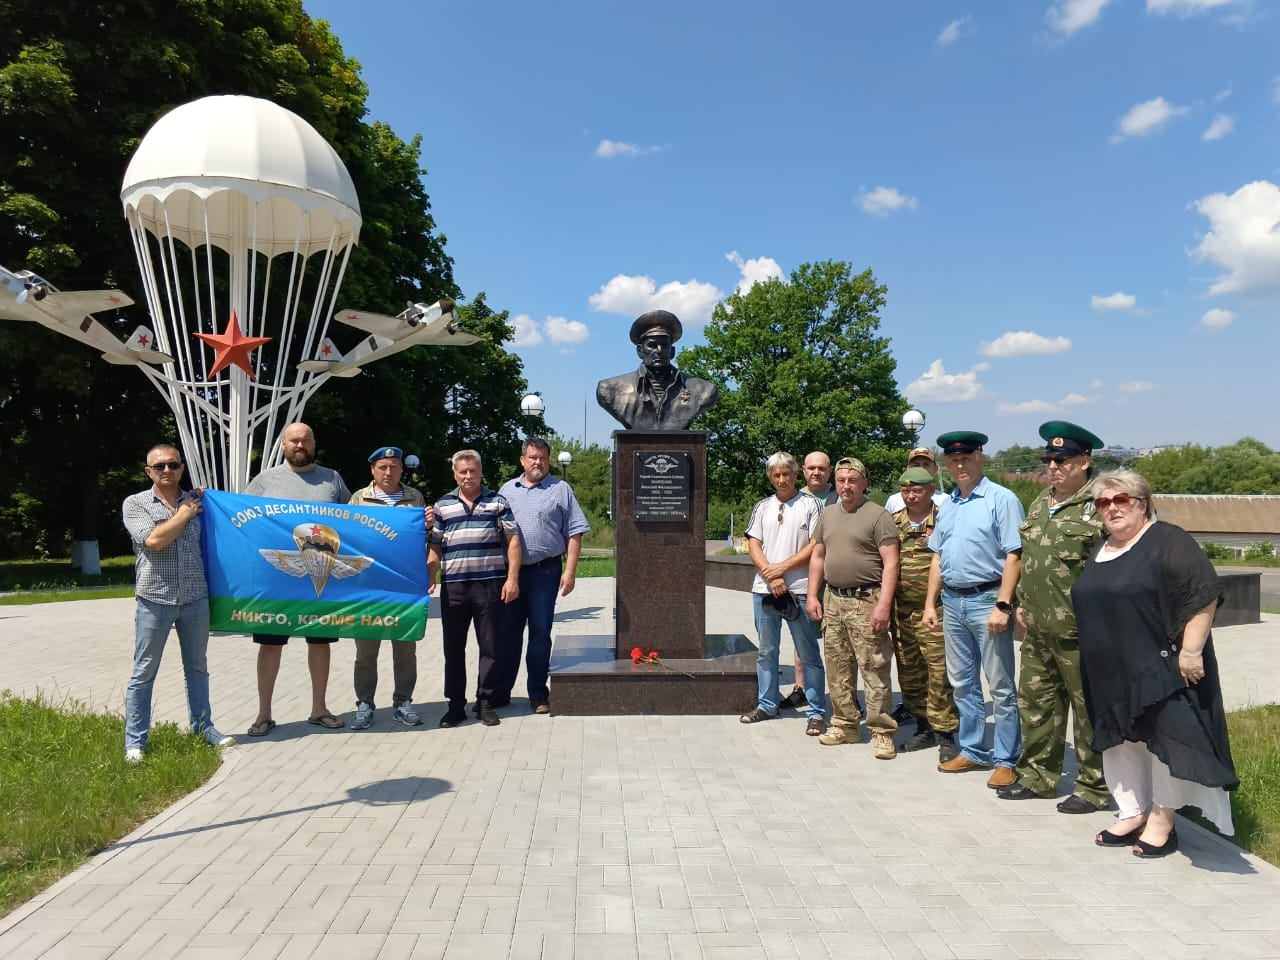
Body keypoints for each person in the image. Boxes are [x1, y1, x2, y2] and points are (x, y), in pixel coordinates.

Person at [1071, 470, 1237, 858]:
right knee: (1121, 742)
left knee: (1166, 741)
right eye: (1103, 502)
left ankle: (1163, 819)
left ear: (1142, 503)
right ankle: (1132, 811)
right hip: (1109, 670)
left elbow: (1203, 594)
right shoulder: (1102, 547)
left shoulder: (1168, 540)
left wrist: (1192, 651)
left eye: (1121, 500)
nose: (1111, 508)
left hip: (1159, 668)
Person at [997, 422, 1109, 813]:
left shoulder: (1104, 504)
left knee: (1088, 712)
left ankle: (1095, 787)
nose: (1053, 466)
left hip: (1083, 632)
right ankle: (1038, 777)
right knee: (1037, 704)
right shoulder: (1041, 502)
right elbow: (1031, 558)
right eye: (1048, 459)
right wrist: (1021, 601)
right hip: (1039, 627)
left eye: (1061, 460)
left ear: (1084, 460)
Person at [121, 444, 234, 763]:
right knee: (144, 670)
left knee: (197, 667)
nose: (167, 470)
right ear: (149, 472)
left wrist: (204, 501)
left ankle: (203, 727)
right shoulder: (136, 504)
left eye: (173, 465)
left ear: (182, 468)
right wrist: (184, 514)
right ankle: (136, 741)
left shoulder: (199, 502)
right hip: (154, 598)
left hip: (195, 597)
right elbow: (154, 542)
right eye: (159, 467)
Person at [922, 431, 1023, 787]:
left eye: (966, 458)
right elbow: (937, 556)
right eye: (953, 460)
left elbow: (1014, 555)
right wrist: (930, 604)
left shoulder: (1001, 499)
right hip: (952, 602)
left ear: (981, 458)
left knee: (1000, 686)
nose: (959, 465)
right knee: (962, 683)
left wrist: (1003, 604)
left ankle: (1006, 759)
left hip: (987, 600)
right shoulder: (948, 505)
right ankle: (972, 750)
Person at [243, 422, 351, 736]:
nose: (300, 445)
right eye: (294, 440)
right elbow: (239, 520)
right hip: (277, 578)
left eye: (305, 440)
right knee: (270, 644)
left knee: (320, 642)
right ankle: (264, 713)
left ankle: (319, 708)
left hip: (321, 576)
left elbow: (357, 521)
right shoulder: (264, 481)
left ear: (314, 444)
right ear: (283, 446)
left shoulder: (332, 479)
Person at [806, 457, 900, 759]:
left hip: (866, 600)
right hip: (833, 600)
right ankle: (845, 724)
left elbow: (891, 562)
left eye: (853, 480)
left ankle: (882, 731)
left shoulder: (878, 515)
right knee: (837, 666)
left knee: (874, 666)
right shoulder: (828, 514)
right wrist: (812, 595)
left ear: (863, 483)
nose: (847, 486)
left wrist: (884, 604)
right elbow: (818, 557)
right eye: (842, 480)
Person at [496, 437, 591, 714]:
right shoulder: (507, 490)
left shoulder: (561, 489)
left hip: (545, 573)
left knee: (540, 634)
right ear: (522, 460)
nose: (538, 462)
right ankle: (501, 692)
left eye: (543, 458)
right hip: (511, 574)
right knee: (509, 635)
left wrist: (570, 572)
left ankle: (538, 694)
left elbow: (575, 532)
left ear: (548, 461)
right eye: (533, 457)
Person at [429, 449, 521, 728]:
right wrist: (428, 575)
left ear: (480, 471)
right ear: (454, 474)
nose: (468, 476)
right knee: (453, 649)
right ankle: (455, 705)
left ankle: (485, 702)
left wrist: (512, 578)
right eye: (462, 472)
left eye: (472, 470)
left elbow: (513, 540)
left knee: (491, 646)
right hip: (454, 587)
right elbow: (434, 546)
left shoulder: (498, 502)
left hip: (490, 585)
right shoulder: (442, 505)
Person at [739, 452, 827, 735]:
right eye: (776, 475)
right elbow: (754, 543)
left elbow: (816, 545)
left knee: (808, 653)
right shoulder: (762, 506)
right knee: (766, 652)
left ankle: (816, 711)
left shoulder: (811, 505)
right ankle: (767, 704)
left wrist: (783, 569)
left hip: (799, 591)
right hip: (764, 591)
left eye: (786, 474)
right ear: (770, 477)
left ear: (794, 474)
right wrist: (770, 573)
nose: (781, 479)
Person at [348, 445, 431, 730]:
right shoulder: (359, 498)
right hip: (368, 585)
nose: (388, 471)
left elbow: (423, 537)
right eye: (382, 467)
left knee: (405, 648)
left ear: (401, 470)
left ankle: (403, 701)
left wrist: (428, 525)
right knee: (366, 650)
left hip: (404, 585)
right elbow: (347, 537)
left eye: (393, 467)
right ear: (373, 469)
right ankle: (364, 703)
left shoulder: (414, 498)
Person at [890, 467, 959, 760]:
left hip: (935, 611)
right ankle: (923, 728)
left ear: (931, 489)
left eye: (916, 489)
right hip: (902, 612)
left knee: (939, 673)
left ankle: (946, 734)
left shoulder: (945, 519)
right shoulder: (893, 523)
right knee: (910, 674)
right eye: (905, 490)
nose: (910, 495)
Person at [779, 450, 838, 711]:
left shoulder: (840, 497)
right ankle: (801, 688)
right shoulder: (793, 497)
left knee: (839, 642)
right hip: (802, 578)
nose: (816, 472)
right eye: (811, 468)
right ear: (803, 470)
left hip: (836, 578)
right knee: (802, 638)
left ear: (830, 471)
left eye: (822, 468)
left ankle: (841, 694)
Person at [595, 310, 718, 430]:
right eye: (652, 345)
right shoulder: (610, 389)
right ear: (640, 351)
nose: (659, 350)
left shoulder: (703, 390)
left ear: (672, 351)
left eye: (664, 345)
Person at [883, 446, 949, 514]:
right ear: (908, 468)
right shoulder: (894, 501)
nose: (921, 468)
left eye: (926, 464)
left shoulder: (946, 501)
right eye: (916, 465)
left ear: (936, 469)